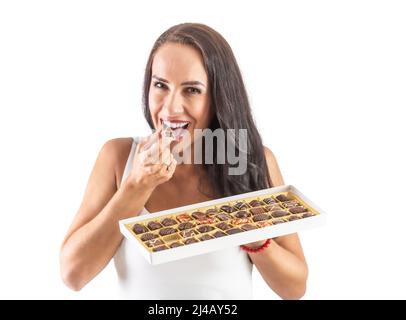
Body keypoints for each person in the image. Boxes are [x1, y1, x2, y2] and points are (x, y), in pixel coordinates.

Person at [60, 23, 308, 299]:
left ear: (218, 97)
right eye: (160, 85)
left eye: (191, 90)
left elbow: (295, 288)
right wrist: (135, 188)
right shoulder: (119, 158)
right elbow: (73, 274)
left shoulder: (249, 160)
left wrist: (257, 239)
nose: (170, 108)